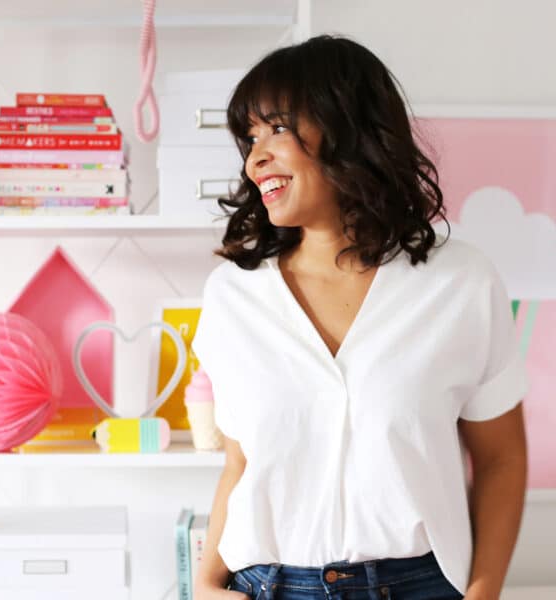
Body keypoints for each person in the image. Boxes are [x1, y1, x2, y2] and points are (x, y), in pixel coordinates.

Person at [191, 34, 528, 600]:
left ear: (348, 127)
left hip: (419, 585)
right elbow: (240, 468)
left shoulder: (461, 283)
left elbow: (501, 459)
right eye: (249, 139)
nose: (255, 158)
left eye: (276, 128)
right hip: (264, 586)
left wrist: (483, 593)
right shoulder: (232, 296)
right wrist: (203, 584)